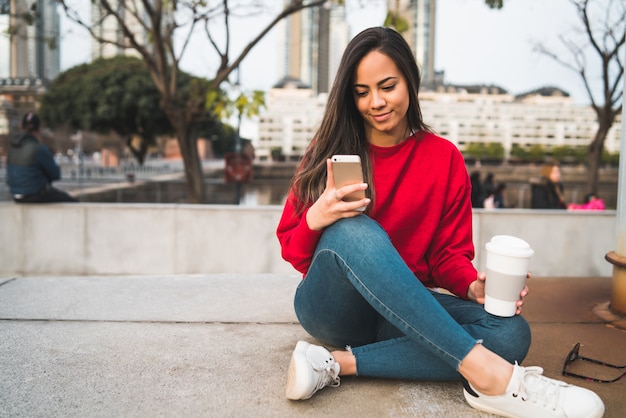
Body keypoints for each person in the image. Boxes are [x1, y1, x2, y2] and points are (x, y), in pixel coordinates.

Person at [276, 27, 604, 418]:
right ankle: (486, 375)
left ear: (410, 83)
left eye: (387, 86)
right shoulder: (328, 152)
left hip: (404, 311)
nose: (375, 102)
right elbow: (293, 252)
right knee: (352, 229)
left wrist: (471, 284)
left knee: (511, 334)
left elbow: (447, 254)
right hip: (332, 307)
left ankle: (336, 364)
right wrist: (319, 217)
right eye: (362, 92)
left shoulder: (444, 158)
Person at [6, 112, 77, 203]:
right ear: (39, 128)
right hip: (34, 194)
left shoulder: (12, 148)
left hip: (15, 195)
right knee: (72, 202)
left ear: (21, 127)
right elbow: (55, 174)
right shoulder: (39, 149)